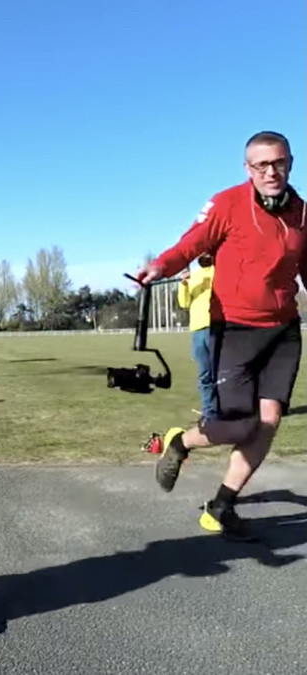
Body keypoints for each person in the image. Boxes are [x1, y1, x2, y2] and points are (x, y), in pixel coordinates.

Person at [136, 131, 304, 542]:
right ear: (248, 168)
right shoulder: (227, 203)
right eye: (261, 165)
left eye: (279, 163)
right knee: (240, 426)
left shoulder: (301, 213)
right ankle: (181, 442)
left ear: (290, 163)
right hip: (233, 328)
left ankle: (222, 506)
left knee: (269, 422)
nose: (271, 171)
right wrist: (160, 266)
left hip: (283, 330)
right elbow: (190, 245)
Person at [176, 253, 217, 420]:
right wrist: (183, 284)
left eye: (207, 252)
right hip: (198, 330)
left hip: (217, 326)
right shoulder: (193, 275)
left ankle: (225, 410)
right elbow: (184, 303)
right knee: (204, 374)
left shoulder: (220, 271)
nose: (203, 255)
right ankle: (209, 412)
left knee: (221, 372)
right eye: (201, 253)